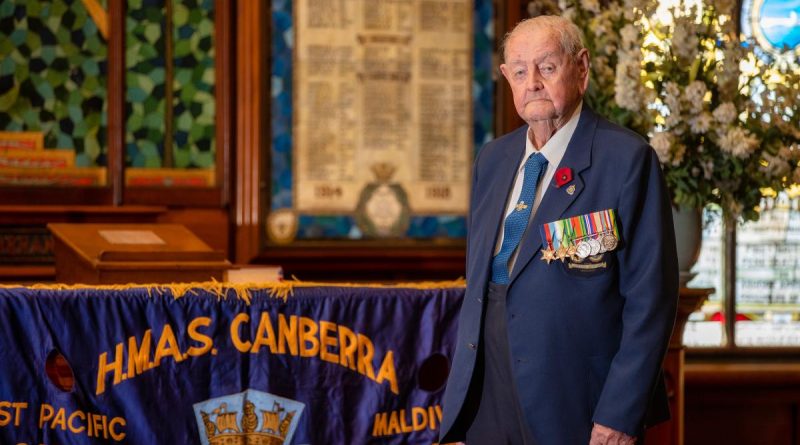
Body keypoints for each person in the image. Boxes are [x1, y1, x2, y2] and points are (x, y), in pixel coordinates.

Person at [439, 15, 678, 445]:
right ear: (506, 78)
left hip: (578, 407)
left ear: (581, 68)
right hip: (486, 401)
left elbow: (652, 300)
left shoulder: (626, 161)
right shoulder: (491, 161)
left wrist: (619, 414)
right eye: (519, 70)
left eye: (547, 67)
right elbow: (479, 288)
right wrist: (462, 404)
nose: (532, 82)